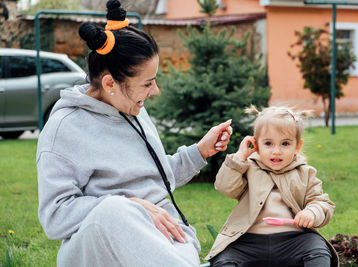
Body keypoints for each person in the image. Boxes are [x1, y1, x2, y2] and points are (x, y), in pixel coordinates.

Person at [36, 1, 232, 266]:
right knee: (114, 209)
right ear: (110, 84)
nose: (155, 91)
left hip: (161, 236)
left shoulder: (133, 108)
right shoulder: (65, 128)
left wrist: (200, 152)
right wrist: (132, 207)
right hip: (95, 249)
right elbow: (55, 216)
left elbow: (152, 177)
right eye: (147, 83)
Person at [205, 105, 339, 267]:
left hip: (293, 240)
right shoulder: (247, 168)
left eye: (285, 144)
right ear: (256, 144)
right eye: (268, 143)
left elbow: (322, 202)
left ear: (297, 146)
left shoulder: (305, 172)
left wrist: (312, 212)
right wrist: (240, 157)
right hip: (248, 241)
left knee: (317, 249)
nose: (277, 151)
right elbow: (225, 186)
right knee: (225, 258)